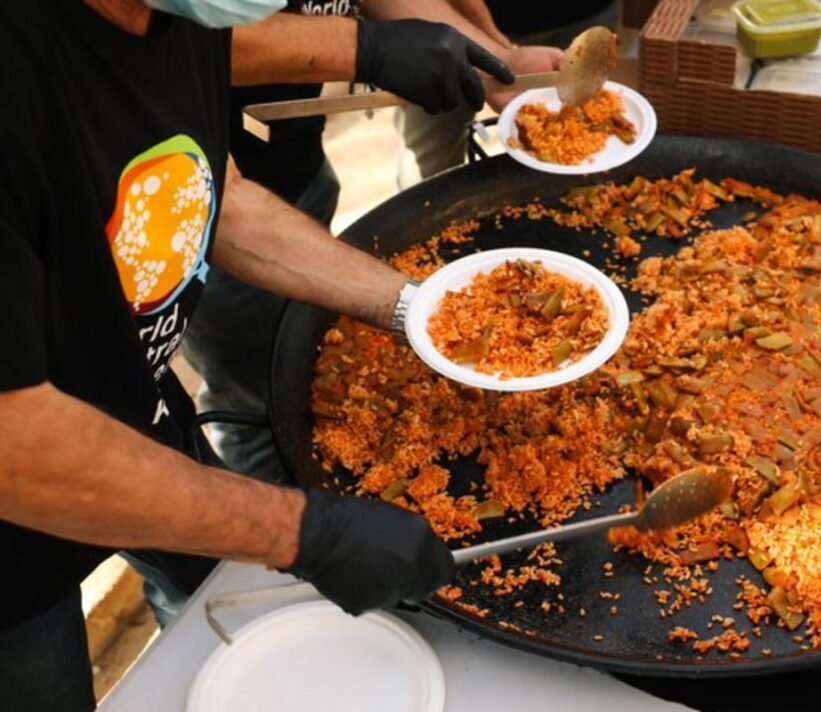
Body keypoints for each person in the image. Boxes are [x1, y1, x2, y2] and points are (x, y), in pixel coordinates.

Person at [0, 1, 508, 709]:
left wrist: (417, 307)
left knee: (212, 600)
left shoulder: (169, 20)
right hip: (18, 527)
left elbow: (215, 196)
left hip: (131, 407)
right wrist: (302, 530)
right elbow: (17, 447)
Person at [183, 1, 563, 484]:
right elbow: (180, 43)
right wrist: (360, 48)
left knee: (297, 353)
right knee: (254, 403)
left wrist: (493, 63)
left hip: (283, 171)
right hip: (192, 214)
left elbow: (240, 206)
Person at [396, 0, 620, 188]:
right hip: (437, 16)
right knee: (428, 154)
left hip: (583, 13)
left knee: (583, 164)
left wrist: (499, 57)